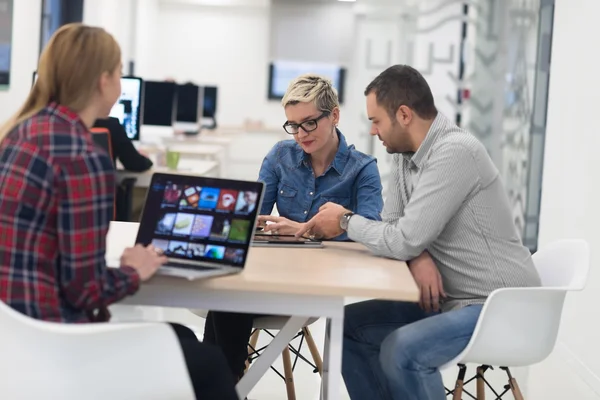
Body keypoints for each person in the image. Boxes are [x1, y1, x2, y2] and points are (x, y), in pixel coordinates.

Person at [0, 23, 237, 400]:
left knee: (182, 338)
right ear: (104, 80)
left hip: (13, 341)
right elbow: (85, 289)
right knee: (208, 366)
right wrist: (134, 270)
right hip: (57, 343)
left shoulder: (18, 134)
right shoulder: (82, 154)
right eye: (121, 72)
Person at [296, 65, 541, 400]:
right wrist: (419, 255)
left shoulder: (455, 152)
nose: (372, 131)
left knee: (405, 350)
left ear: (404, 115)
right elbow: (397, 226)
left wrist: (345, 220)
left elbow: (403, 238)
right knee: (346, 328)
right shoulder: (403, 155)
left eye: (376, 120)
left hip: (499, 305)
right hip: (450, 301)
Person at [202, 74, 384, 381]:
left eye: (309, 123)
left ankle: (221, 383)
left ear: (334, 115)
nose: (300, 134)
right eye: (293, 125)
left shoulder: (363, 169)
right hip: (272, 274)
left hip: (319, 285)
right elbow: (252, 218)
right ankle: (223, 384)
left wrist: (306, 229)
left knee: (228, 301)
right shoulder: (279, 156)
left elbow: (372, 232)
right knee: (228, 292)